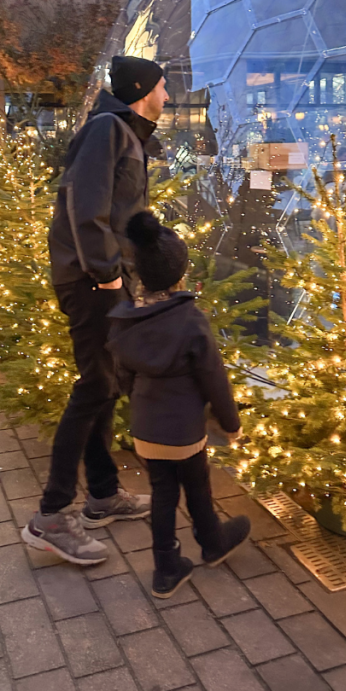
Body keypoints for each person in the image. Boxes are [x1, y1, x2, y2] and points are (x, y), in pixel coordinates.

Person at [22, 54, 169, 565]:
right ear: (141, 88)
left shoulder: (126, 132)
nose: (167, 96)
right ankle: (50, 517)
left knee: (105, 385)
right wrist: (106, 273)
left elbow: (125, 212)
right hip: (91, 281)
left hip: (108, 280)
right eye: (162, 87)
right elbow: (86, 207)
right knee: (93, 388)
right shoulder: (107, 128)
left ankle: (103, 495)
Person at [108, 211, 251, 598]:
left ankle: (166, 567)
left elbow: (122, 375)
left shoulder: (127, 321)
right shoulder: (190, 321)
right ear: (180, 274)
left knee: (163, 492)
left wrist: (137, 399)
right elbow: (214, 380)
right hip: (185, 430)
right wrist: (231, 423)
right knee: (197, 484)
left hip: (147, 429)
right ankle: (212, 541)